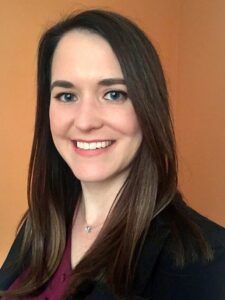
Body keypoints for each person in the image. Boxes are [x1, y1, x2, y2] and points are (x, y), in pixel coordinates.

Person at [0, 9, 225, 300]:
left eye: (114, 94)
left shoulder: (206, 262)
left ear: (148, 107)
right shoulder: (40, 224)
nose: (85, 121)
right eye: (67, 96)